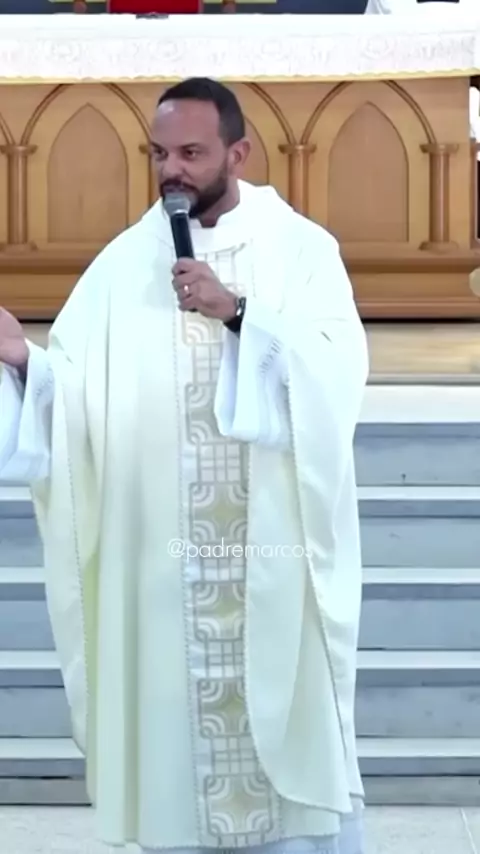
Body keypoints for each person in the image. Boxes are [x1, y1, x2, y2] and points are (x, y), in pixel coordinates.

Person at [0, 78, 368, 854]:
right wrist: (26, 363)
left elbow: (337, 377)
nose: (172, 170)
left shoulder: (301, 250)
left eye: (192, 153)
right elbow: (79, 400)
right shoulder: (124, 263)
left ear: (239, 153)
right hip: (167, 583)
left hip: (273, 557)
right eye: (159, 153)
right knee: (178, 761)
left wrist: (240, 314)